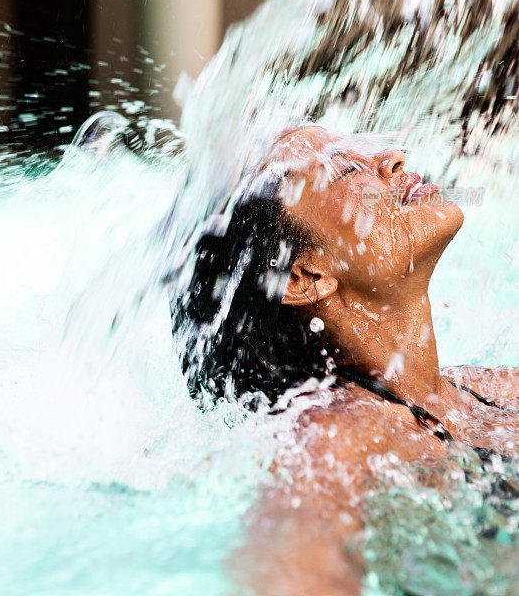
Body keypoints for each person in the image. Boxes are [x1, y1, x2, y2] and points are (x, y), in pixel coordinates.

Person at [178, 124, 518, 595]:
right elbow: (291, 565)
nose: (393, 158)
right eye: (346, 169)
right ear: (303, 276)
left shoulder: (489, 391)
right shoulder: (334, 436)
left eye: (361, 144)